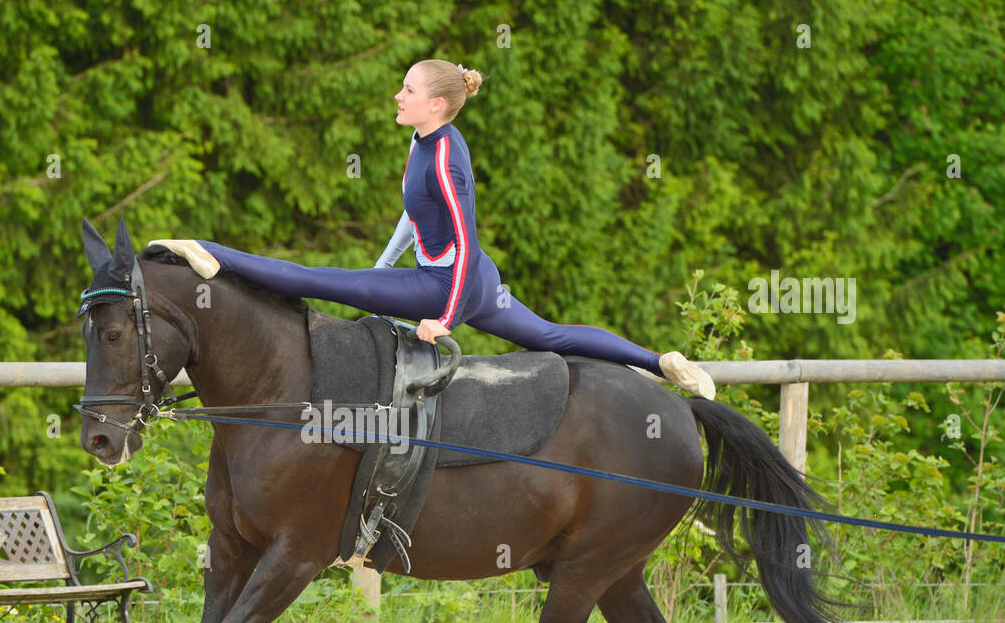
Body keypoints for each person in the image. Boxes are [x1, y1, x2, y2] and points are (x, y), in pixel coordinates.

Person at [152, 60, 715, 399]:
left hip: (452, 281)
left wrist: (443, 319)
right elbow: (414, 214)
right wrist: (382, 265)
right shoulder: (421, 140)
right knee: (550, 337)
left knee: (316, 280)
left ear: (438, 104)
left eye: (409, 92)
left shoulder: (447, 155)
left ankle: (208, 254)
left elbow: (465, 238)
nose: (399, 96)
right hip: (464, 278)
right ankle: (659, 362)